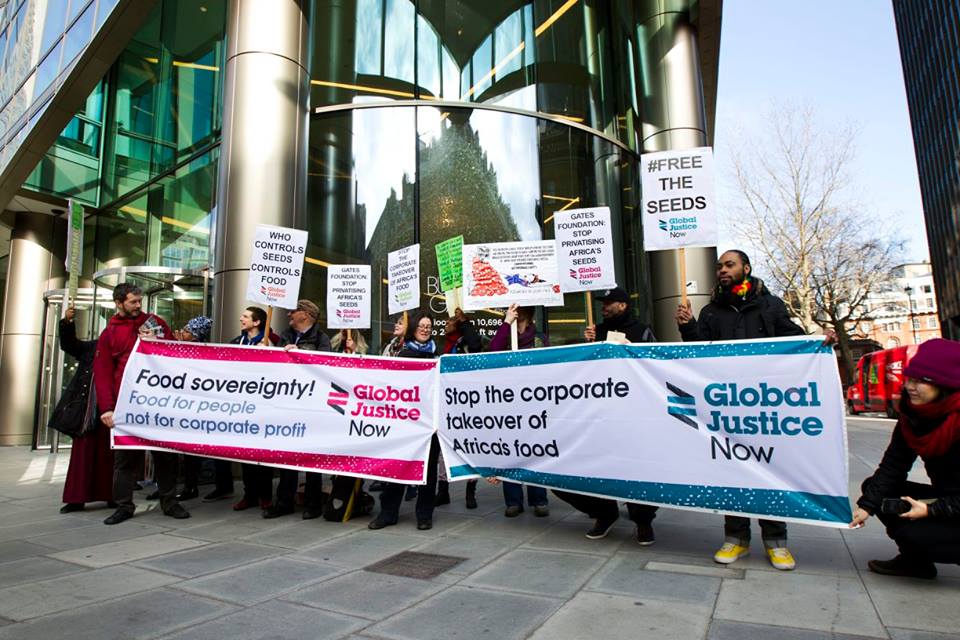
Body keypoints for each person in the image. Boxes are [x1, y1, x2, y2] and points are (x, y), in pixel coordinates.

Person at [675, 249, 822, 570]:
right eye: (719, 267)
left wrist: (818, 342)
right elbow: (699, 350)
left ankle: (776, 542)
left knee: (770, 471)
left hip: (763, 405)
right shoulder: (712, 311)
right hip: (728, 405)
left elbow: (793, 341)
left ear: (746, 268)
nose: (722, 271)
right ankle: (736, 539)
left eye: (729, 265)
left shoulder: (770, 305)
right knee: (732, 470)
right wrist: (688, 327)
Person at [553, 287, 659, 544]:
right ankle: (603, 513)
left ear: (622, 305)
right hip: (599, 413)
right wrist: (587, 345)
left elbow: (655, 364)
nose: (604, 307)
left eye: (609, 303)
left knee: (636, 469)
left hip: (633, 414)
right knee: (580, 467)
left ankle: (643, 520)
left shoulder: (642, 331)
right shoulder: (596, 332)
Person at [850, 338, 960, 579]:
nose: (911, 386)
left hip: (954, 504)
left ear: (945, 385)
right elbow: (894, 465)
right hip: (948, 498)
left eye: (922, 381)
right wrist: (866, 506)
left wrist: (934, 511)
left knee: (916, 534)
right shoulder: (913, 415)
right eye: (910, 378)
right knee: (876, 490)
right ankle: (915, 562)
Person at [96, 283, 190, 525]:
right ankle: (124, 506)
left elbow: (175, 355)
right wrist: (107, 407)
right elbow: (103, 372)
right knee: (125, 459)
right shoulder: (109, 334)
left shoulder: (154, 322)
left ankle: (169, 502)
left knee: (165, 455)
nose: (139, 306)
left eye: (139, 301)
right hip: (126, 404)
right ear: (119, 303)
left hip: (157, 402)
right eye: (133, 302)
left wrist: (158, 341)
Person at [369, 313, 441, 531]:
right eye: (421, 325)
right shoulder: (401, 353)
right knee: (397, 467)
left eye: (429, 326)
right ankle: (388, 513)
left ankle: (424, 515)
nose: (425, 329)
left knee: (428, 472)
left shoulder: (438, 356)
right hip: (404, 421)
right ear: (414, 328)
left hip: (429, 422)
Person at [264, 299, 332, 520]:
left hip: (312, 407)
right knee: (287, 456)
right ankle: (284, 501)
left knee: (312, 457)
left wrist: (300, 352)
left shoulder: (322, 339)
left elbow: (326, 365)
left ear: (305, 314)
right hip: (289, 404)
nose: (289, 315)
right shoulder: (285, 335)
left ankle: (313, 504)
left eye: (293, 311)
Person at [487, 304, 549, 518]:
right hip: (509, 401)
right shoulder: (505, 334)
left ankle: (538, 498)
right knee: (511, 449)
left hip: (533, 400)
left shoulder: (538, 337)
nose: (516, 309)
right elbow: (493, 351)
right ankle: (513, 500)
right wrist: (507, 323)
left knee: (535, 449)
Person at [55, 306, 114, 513]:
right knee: (83, 456)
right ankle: (76, 498)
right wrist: (68, 323)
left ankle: (111, 495)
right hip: (88, 411)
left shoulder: (121, 351)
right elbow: (70, 344)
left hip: (111, 410)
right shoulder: (92, 348)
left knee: (109, 455)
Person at [174, 316, 235, 503]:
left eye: (186, 331)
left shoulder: (205, 353)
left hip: (205, 409)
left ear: (194, 336)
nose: (181, 333)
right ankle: (189, 485)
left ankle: (218, 485)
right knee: (189, 451)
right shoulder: (180, 350)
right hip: (189, 407)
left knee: (212, 450)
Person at [435, 308, 482, 510]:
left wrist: (465, 322)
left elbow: (476, 345)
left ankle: (470, 492)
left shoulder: (465, 343)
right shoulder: (445, 345)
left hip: (468, 401)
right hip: (447, 403)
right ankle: (442, 490)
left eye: (449, 322)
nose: (445, 324)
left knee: (471, 446)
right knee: (443, 449)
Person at [230, 306, 275, 512]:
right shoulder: (235, 343)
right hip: (242, 405)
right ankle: (250, 494)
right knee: (245, 453)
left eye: (246, 316)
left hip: (264, 406)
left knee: (262, 454)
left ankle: (266, 495)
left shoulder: (271, 343)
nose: (241, 319)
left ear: (257, 322)